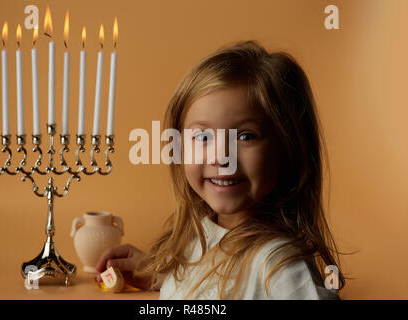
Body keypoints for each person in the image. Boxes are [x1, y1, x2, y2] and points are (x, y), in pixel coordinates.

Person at [96, 40, 345, 299]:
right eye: (203, 137)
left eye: (246, 136)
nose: (221, 157)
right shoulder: (197, 240)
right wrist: (162, 275)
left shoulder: (279, 264)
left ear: (287, 148)